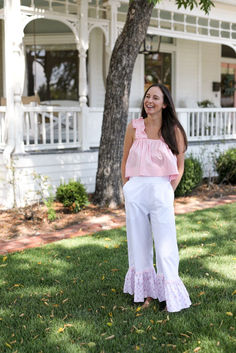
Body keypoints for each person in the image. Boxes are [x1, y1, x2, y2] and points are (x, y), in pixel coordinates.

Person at [121, 83, 191, 312]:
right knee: (138, 242)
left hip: (161, 189)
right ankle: (142, 293)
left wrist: (169, 189)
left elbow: (179, 166)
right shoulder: (134, 127)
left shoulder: (174, 131)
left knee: (165, 245)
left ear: (165, 103)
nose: (149, 101)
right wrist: (126, 188)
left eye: (155, 97)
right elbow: (124, 160)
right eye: (147, 96)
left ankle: (166, 293)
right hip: (136, 189)